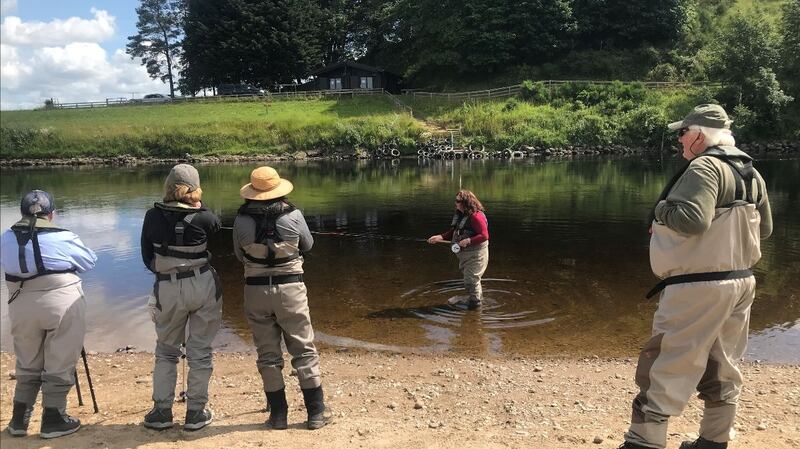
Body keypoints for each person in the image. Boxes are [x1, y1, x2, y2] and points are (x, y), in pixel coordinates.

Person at [620, 104, 773, 449]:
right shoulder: (751, 171)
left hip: (698, 285)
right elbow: (766, 231)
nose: (679, 139)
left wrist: (660, 209)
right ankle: (714, 441)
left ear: (700, 135)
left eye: (683, 132)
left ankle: (644, 442)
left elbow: (692, 221)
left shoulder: (704, 166)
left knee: (665, 364)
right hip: (741, 282)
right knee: (723, 365)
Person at [232, 166, 328, 430]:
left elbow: (239, 255)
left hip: (255, 291)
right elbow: (308, 245)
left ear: (252, 192)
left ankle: (278, 415)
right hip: (290, 289)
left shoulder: (240, 219)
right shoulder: (294, 215)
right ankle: (316, 413)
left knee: (268, 354)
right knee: (304, 349)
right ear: (278, 189)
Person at [1, 190, 97, 439]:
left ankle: (19, 420)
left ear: (21, 213)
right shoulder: (64, 236)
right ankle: (54, 418)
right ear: (51, 215)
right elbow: (89, 262)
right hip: (61, 302)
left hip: (20, 303)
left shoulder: (6, 237)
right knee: (60, 359)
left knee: (27, 360)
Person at [140, 164, 222, 431]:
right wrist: (199, 204)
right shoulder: (205, 218)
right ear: (196, 190)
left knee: (166, 350)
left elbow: (147, 259)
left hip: (168, 287)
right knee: (200, 351)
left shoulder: (152, 216)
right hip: (202, 285)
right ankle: (195, 412)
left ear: (167, 187)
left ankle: (162, 412)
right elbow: (216, 228)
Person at [427, 189, 490, 310]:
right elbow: (455, 231)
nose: (455, 203)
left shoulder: (476, 216)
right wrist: (440, 237)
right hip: (465, 254)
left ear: (466, 202)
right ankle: (476, 300)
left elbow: (484, 235)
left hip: (476, 254)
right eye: (455, 201)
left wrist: (469, 241)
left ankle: (475, 305)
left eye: (458, 201)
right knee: (471, 279)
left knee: (471, 279)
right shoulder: (461, 215)